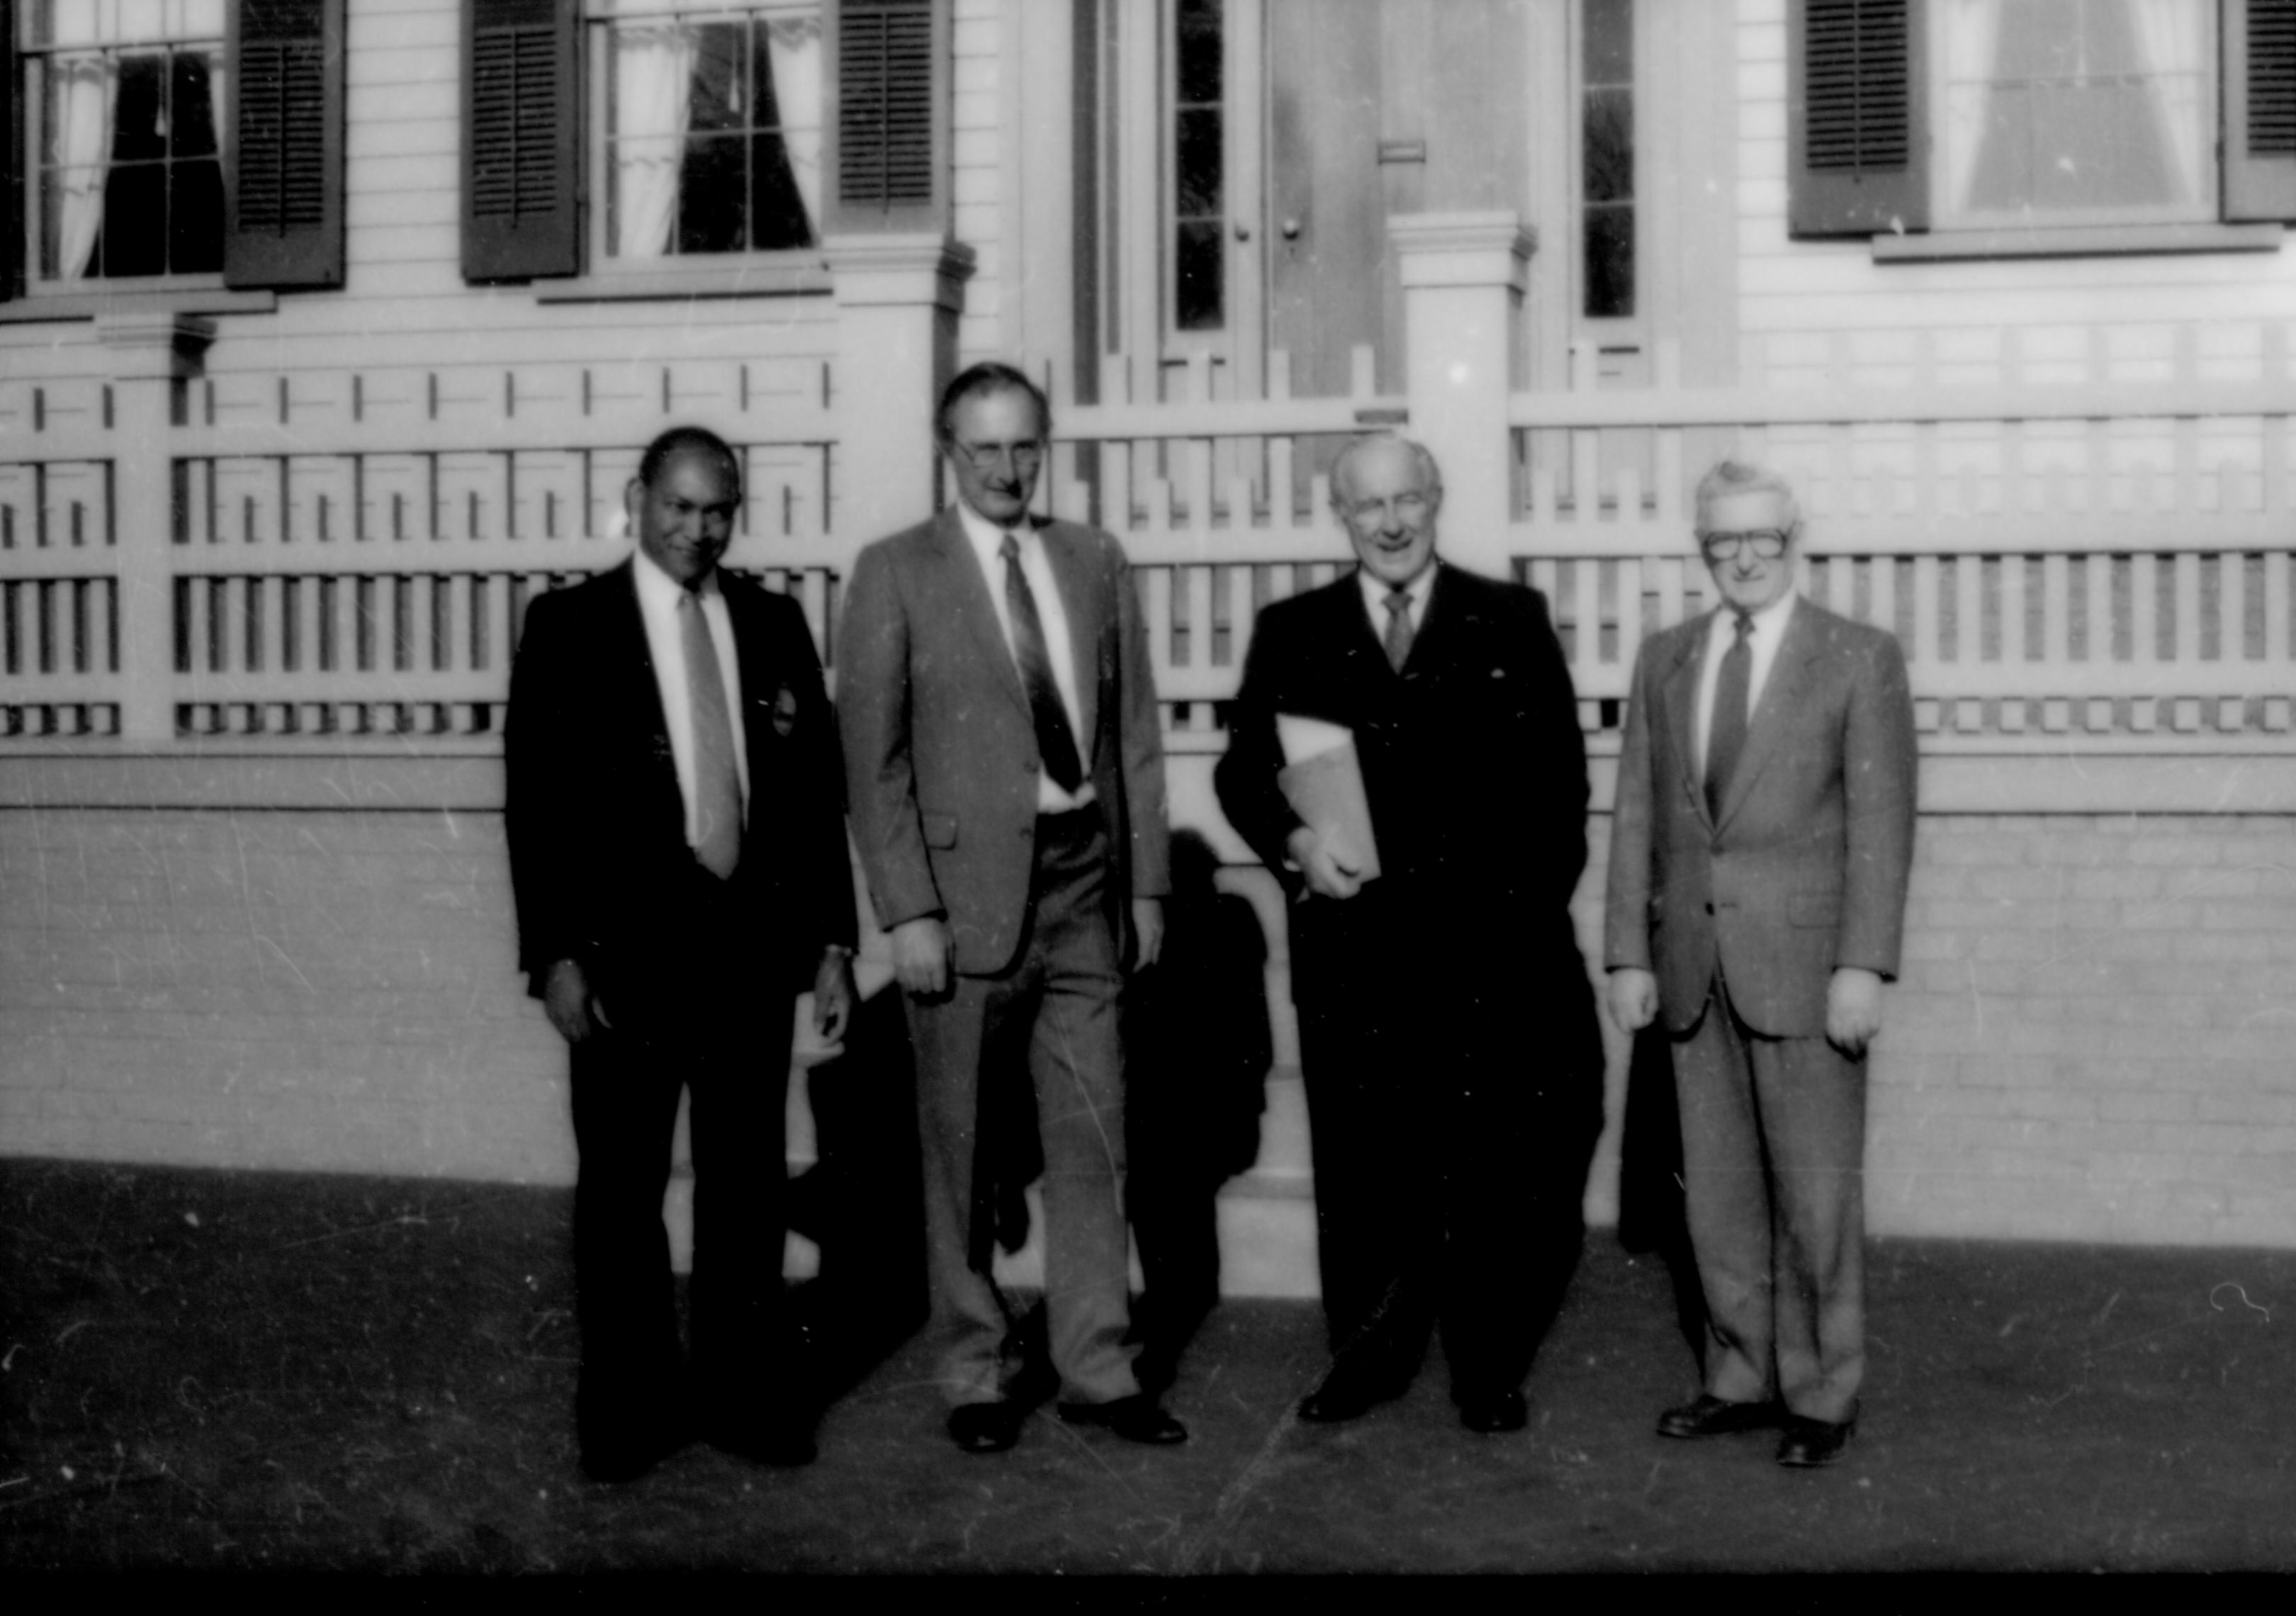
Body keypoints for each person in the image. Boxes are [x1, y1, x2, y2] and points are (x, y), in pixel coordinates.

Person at [1213, 434, 1603, 1435]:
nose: (1389, 523)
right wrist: (1296, 841)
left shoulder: (1507, 618)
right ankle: (1369, 1356)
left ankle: (1487, 1364)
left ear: (1436, 500)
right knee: (1363, 1168)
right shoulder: (1293, 627)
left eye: (1407, 501)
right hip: (1354, 958)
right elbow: (1243, 771)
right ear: (1340, 516)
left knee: (1489, 1169)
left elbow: (1561, 793)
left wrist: (1510, 929)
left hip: (1484, 959)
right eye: (1366, 506)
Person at [835, 361, 1183, 1454]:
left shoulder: (1091, 560)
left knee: (1094, 1132)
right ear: (949, 451)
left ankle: (1097, 1368)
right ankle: (977, 1370)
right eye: (983, 447)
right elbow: (873, 760)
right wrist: (909, 911)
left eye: (1024, 445)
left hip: (1085, 876)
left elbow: (1131, 737)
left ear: (1046, 446)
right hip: (963, 894)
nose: (1005, 467)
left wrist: (1147, 883)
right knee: (962, 1144)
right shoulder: (895, 571)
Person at [505, 425, 857, 1483]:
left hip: (748, 952)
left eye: (719, 511)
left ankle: (745, 1399)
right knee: (621, 1193)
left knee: (745, 1187)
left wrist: (834, 941)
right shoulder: (570, 626)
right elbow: (537, 807)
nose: (700, 530)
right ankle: (628, 1410)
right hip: (623, 963)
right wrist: (556, 956)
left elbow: (810, 798)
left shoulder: (773, 620)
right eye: (680, 508)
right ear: (638, 500)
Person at [1604, 459, 1918, 1469]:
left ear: (1796, 540)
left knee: (1816, 1195)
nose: (1742, 557)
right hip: (1694, 965)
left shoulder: (1857, 658)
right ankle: (1738, 1375)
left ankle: (1823, 1393)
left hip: (1807, 968)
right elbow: (1640, 816)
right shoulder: (1666, 659)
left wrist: (1862, 966)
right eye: (1721, 541)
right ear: (1704, 549)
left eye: (1761, 539)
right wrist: (1626, 953)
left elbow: (1881, 826)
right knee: (1720, 1197)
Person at [1122, 828, 1272, 1396]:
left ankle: (1170, 1308)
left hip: (1200, 1099)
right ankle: (1169, 1302)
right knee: (1161, 1197)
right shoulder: (1221, 916)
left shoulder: (1225, 919)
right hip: (1173, 1100)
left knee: (1169, 1197)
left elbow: (1249, 1026)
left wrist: (1247, 1098)